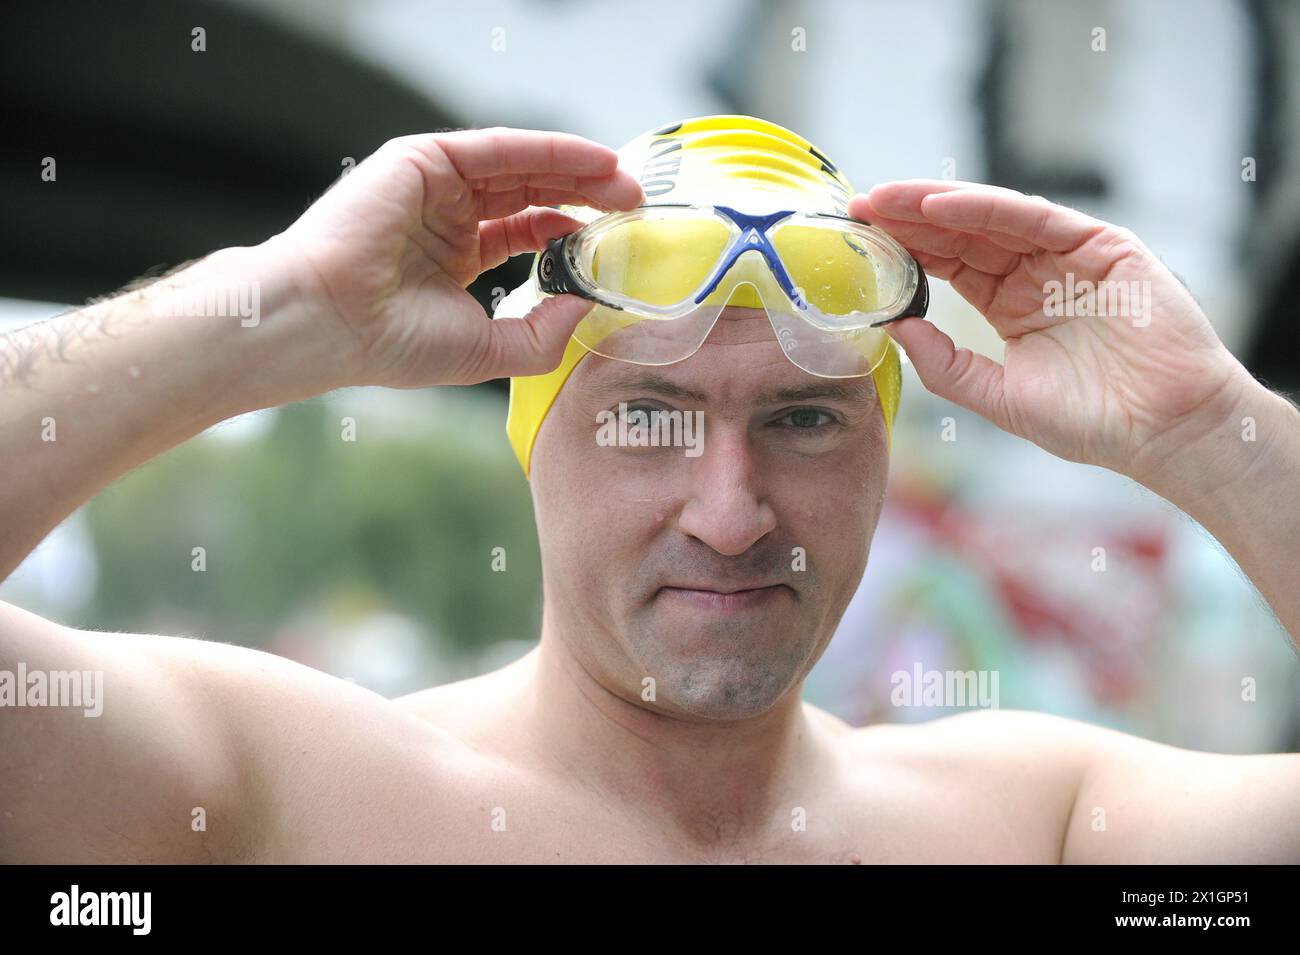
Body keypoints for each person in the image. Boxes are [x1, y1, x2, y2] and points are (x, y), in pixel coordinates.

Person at [1, 116, 1296, 864]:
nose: (731, 515)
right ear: (534, 436)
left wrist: (1213, 428)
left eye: (802, 418)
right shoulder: (270, 798)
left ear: (884, 447)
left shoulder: (1043, 833)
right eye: (644, 414)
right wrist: (273, 309)